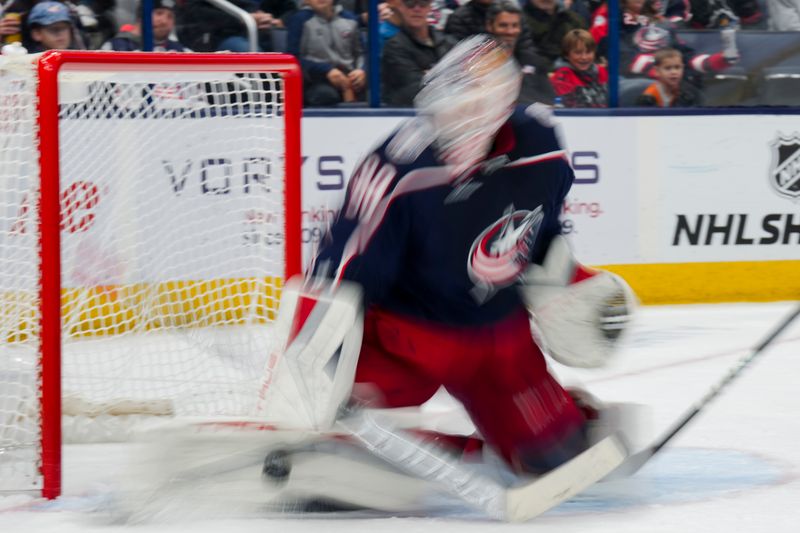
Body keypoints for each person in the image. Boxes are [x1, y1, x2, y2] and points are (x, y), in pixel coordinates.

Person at [292, 35, 636, 494]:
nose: (455, 121)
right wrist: (322, 372)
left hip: (499, 340)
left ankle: (570, 417)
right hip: (405, 338)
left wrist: (568, 281)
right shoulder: (399, 167)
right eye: (448, 108)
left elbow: (540, 229)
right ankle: (408, 446)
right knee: (354, 472)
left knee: (558, 458)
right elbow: (338, 273)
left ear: (500, 106)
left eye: (471, 107)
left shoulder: (541, 146)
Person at [286, 0, 366, 106]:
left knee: (376, 90)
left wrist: (362, 70)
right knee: (325, 95)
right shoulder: (300, 20)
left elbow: (363, 53)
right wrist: (326, 70)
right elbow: (293, 59)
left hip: (351, 78)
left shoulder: (350, 19)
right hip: (316, 80)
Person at [381, 0, 455, 106]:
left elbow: (461, 79)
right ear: (401, 7)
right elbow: (415, 87)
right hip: (405, 114)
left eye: (422, 3)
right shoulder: (394, 46)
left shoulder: (446, 42)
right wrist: (443, 76)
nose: (417, 9)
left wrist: (428, 75)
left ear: (430, 7)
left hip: (446, 110)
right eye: (410, 3)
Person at [485, 0, 555, 106]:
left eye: (515, 25)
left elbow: (550, 100)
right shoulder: (478, 63)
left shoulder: (534, 61)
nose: (510, 31)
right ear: (490, 26)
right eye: (503, 25)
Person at [177, 0, 296, 52]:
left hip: (248, 29)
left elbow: (246, 4)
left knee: (283, 43)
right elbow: (197, 13)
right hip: (214, 36)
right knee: (253, 54)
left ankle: (288, 98)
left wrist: (262, 16)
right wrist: (243, 19)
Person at [550, 28, 607, 107]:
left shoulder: (601, 71)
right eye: (578, 52)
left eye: (588, 52)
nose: (584, 57)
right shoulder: (562, 76)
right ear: (567, 55)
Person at [102, 0, 189, 52]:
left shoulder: (181, 51)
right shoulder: (114, 47)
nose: (164, 21)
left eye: (170, 16)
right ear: (142, 16)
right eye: (159, 13)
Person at [522, 0, 587, 68]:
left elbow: (587, 50)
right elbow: (526, 56)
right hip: (538, 72)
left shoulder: (574, 20)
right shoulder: (519, 23)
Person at [636, 47, 703, 107]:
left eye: (677, 67)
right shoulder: (649, 97)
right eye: (667, 68)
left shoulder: (687, 93)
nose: (674, 72)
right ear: (657, 71)